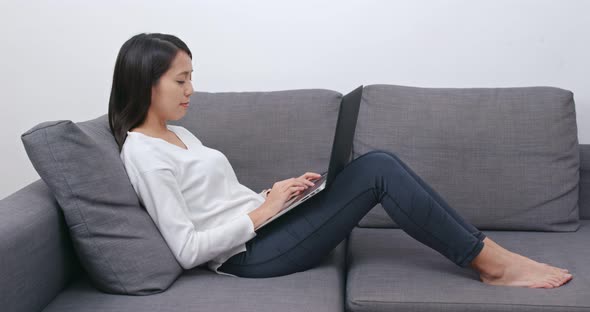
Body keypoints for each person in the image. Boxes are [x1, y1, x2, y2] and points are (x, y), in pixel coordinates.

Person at [109, 32, 573, 289]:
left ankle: (488, 256)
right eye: (181, 80)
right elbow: (187, 249)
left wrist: (276, 194)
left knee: (374, 166)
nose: (192, 90)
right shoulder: (144, 154)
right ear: (147, 83)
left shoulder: (180, 133)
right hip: (247, 257)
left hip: (263, 228)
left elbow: (217, 202)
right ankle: (492, 263)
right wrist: (262, 213)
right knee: (378, 169)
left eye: (193, 78)